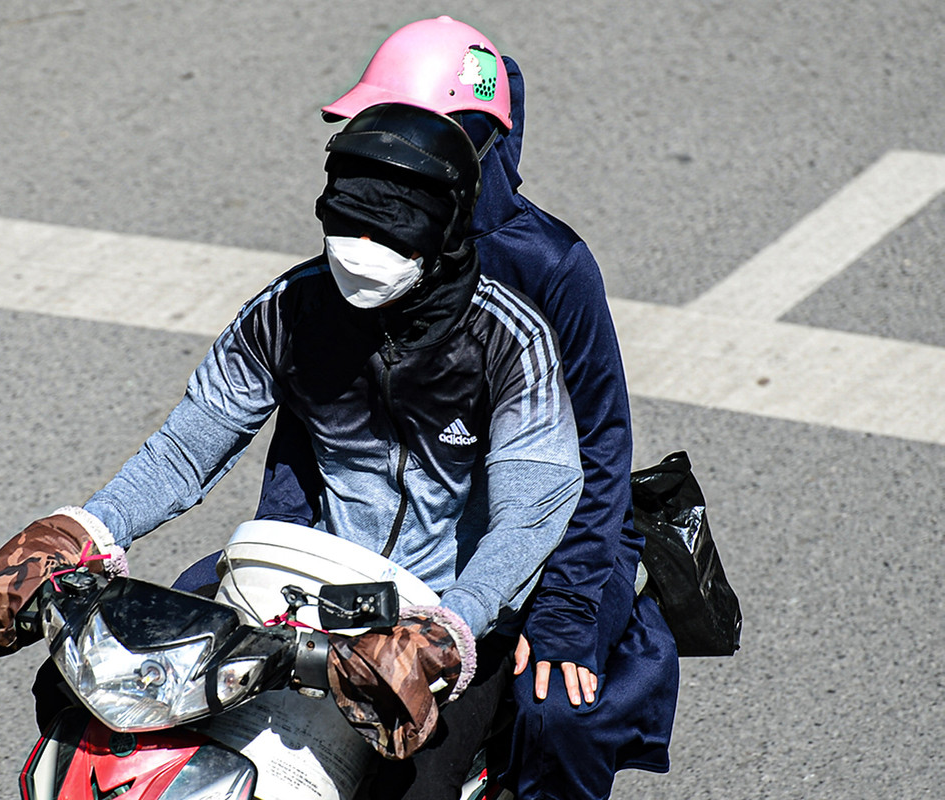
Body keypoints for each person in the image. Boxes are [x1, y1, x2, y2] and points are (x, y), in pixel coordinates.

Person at [0, 101, 584, 800]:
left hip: (437, 618)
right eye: (347, 224)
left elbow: (529, 512)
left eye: (386, 230)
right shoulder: (289, 310)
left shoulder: (509, 342)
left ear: (446, 231)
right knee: (83, 694)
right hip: (292, 582)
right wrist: (80, 530)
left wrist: (451, 628)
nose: (359, 247)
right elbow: (186, 450)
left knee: (419, 791)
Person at [246, 17, 681, 800]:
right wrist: (279, 570)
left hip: (543, 545)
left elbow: (597, 454)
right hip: (380, 544)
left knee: (552, 711)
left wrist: (564, 612)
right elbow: (310, 427)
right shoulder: (366, 245)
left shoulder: (552, 269)